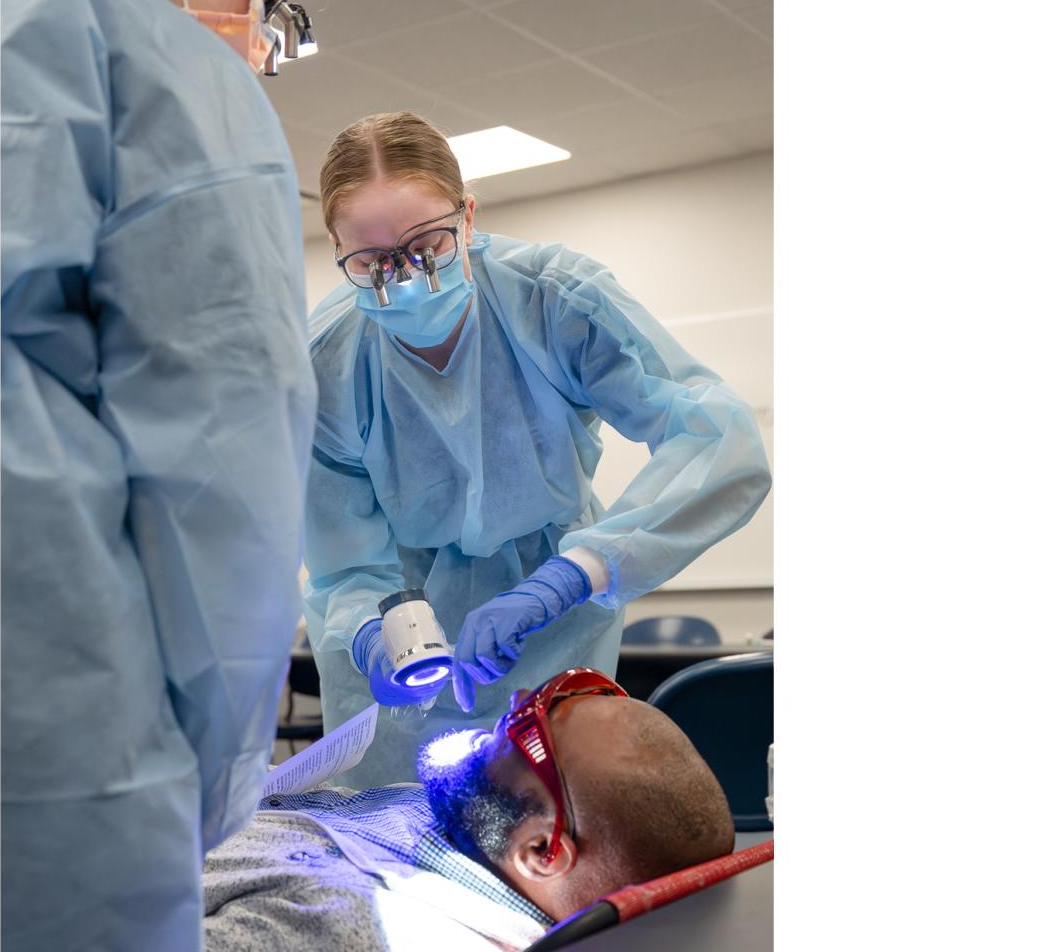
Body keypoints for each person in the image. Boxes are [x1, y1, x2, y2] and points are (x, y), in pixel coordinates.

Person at [1, 0, 317, 952]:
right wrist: (220, 783)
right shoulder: (166, 70)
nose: (265, 20)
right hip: (50, 748)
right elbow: (222, 481)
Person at [303, 111, 773, 787]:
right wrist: (372, 635)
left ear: (467, 216)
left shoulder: (556, 301)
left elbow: (716, 439)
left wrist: (572, 575)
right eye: (373, 261)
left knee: (557, 813)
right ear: (336, 247)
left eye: (428, 244)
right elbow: (342, 555)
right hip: (408, 629)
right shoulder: (327, 362)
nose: (404, 279)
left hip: (557, 618)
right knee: (396, 826)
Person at [201, 668, 734, 952]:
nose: (516, 699)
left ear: (543, 851)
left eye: (528, 729)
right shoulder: (472, 828)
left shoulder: (347, 945)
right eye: (559, 694)